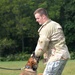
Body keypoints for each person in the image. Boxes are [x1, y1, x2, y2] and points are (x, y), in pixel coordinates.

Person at [33, 8, 70, 75]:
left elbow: (42, 45)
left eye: (38, 18)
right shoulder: (55, 24)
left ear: (43, 16)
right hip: (63, 55)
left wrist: (35, 55)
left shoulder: (46, 28)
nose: (36, 20)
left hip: (56, 57)